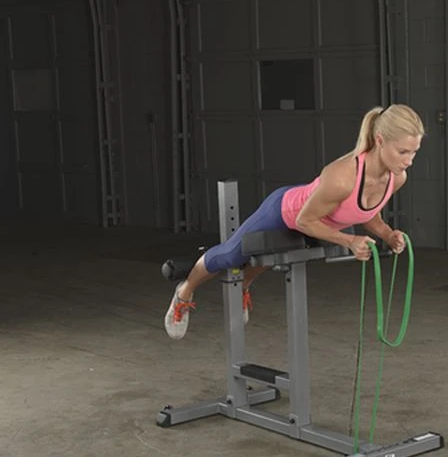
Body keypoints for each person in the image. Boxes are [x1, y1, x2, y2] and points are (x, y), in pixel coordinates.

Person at [164, 103, 424, 339]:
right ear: (380, 140)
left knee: (270, 255)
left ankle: (243, 286)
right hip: (286, 212)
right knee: (230, 256)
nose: (409, 161)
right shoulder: (343, 177)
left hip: (317, 223)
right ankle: (184, 292)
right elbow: (304, 220)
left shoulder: (396, 177)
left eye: (414, 152)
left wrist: (388, 234)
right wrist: (349, 240)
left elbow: (366, 213)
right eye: (403, 151)